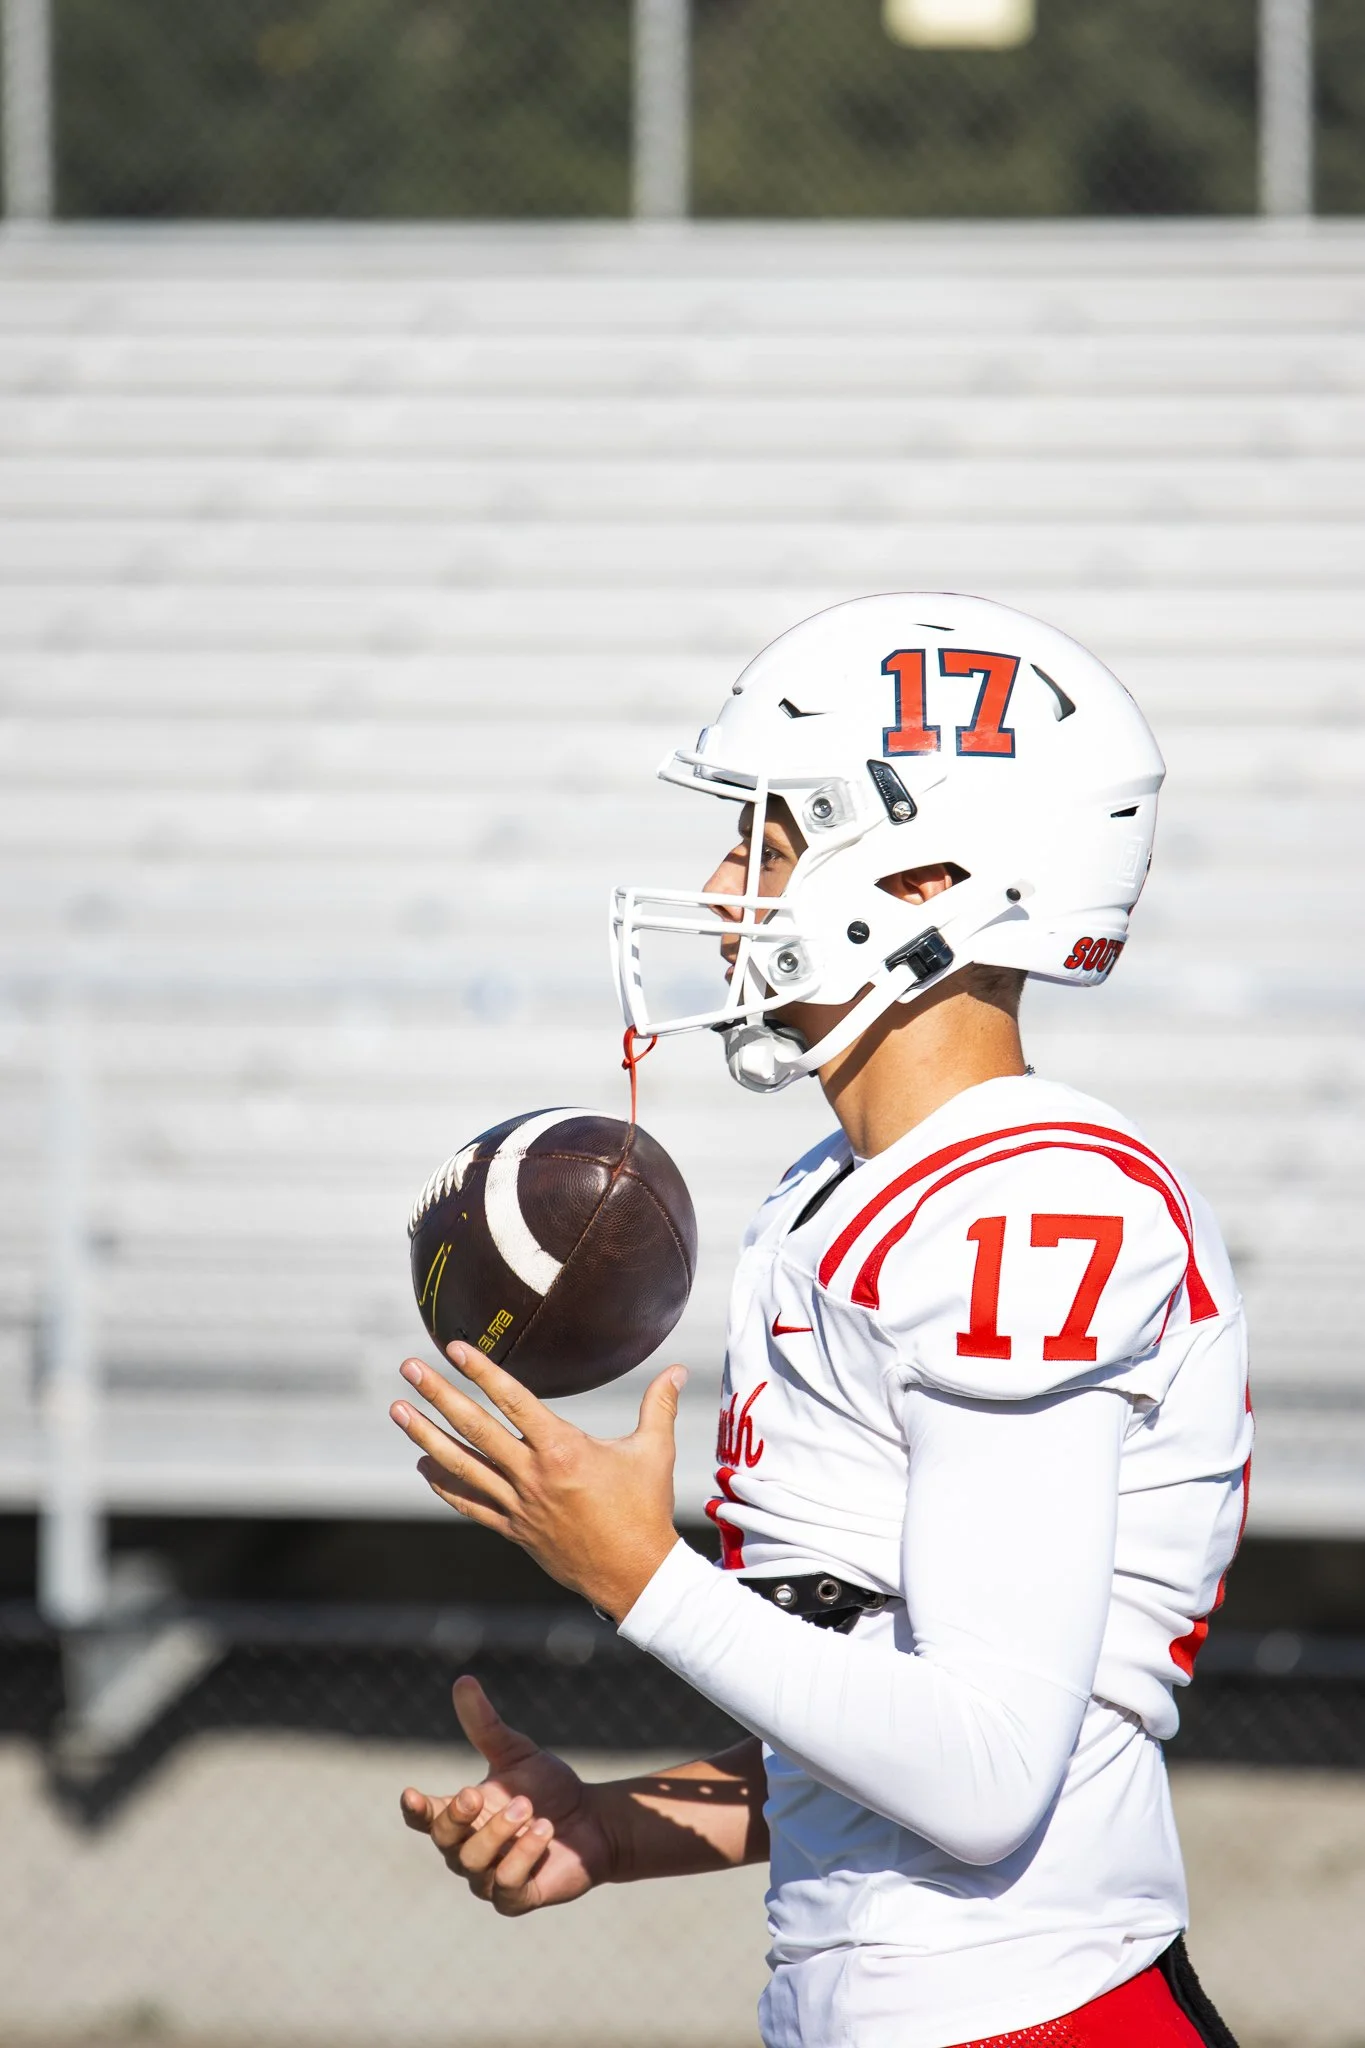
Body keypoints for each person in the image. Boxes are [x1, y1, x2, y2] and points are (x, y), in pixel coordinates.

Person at [390, 595, 1250, 2048]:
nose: (720, 885)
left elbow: (986, 1774)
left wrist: (638, 1575)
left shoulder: (1029, 1209)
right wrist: (615, 1827)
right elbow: (887, 1713)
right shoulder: (837, 1187)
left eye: (771, 845)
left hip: (1033, 2011)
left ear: (926, 883)